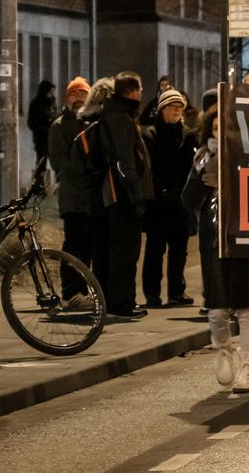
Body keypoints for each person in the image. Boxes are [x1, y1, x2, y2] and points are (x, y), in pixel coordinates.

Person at [183, 109, 249, 393]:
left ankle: (248, 365)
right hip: (212, 241)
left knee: (245, 307)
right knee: (218, 308)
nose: (221, 133)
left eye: (226, 127)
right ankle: (223, 351)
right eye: (216, 128)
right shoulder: (201, 158)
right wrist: (202, 182)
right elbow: (187, 199)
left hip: (243, 238)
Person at [99, 72, 154, 319]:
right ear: (133, 91)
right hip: (122, 196)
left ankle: (122, 302)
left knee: (123, 251)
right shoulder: (120, 118)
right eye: (139, 90)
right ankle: (120, 304)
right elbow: (125, 160)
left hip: (120, 195)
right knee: (125, 252)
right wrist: (135, 194)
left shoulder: (118, 114)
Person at [141, 89, 198, 308]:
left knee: (178, 251)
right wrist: (160, 191)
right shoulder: (151, 135)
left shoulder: (187, 134)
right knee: (155, 250)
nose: (176, 110)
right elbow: (148, 168)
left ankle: (177, 291)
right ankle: (152, 294)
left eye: (179, 107)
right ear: (162, 109)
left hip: (181, 202)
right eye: (172, 106)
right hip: (159, 203)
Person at [47, 77, 92, 307]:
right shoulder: (59, 126)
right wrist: (83, 166)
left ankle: (83, 290)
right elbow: (57, 160)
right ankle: (70, 292)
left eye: (83, 93)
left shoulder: (91, 121)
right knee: (74, 245)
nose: (79, 98)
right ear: (67, 98)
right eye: (75, 94)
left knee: (88, 247)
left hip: (91, 198)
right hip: (73, 197)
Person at [77, 77, 114, 298]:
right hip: (105, 191)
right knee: (104, 247)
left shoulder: (83, 122)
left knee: (95, 247)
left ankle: (97, 293)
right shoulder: (102, 125)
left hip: (91, 193)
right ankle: (104, 294)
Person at [28, 80, 57, 182]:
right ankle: (39, 186)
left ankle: (58, 183)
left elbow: (55, 117)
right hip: (41, 139)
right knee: (41, 163)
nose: (51, 94)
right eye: (50, 92)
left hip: (53, 137)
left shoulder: (52, 102)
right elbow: (31, 122)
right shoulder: (36, 104)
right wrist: (42, 129)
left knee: (57, 160)